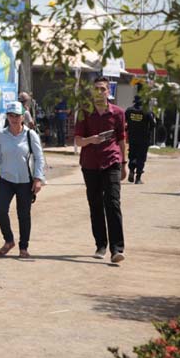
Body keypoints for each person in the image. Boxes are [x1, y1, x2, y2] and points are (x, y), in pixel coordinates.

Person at [74, 76, 128, 263]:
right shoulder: (84, 112)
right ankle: (101, 245)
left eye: (103, 89)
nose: (99, 92)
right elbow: (78, 140)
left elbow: (121, 139)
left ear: (108, 91)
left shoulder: (118, 113)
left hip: (111, 161)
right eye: (96, 88)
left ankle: (117, 249)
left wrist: (124, 163)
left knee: (113, 203)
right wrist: (92, 139)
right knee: (95, 205)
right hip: (90, 164)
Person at [0, 101, 46, 258]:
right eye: (11, 116)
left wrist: (38, 178)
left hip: (25, 181)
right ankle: (9, 240)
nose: (14, 119)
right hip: (6, 179)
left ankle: (23, 247)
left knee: (23, 214)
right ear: (7, 117)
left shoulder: (30, 135)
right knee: (0, 210)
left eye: (17, 116)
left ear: (23, 117)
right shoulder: (1, 135)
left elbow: (39, 158)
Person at [124, 95, 155, 184]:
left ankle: (131, 171)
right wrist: (148, 131)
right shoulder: (147, 112)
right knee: (141, 157)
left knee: (132, 155)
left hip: (132, 137)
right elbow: (153, 124)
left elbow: (124, 121)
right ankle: (138, 178)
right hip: (143, 139)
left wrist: (128, 128)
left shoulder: (129, 110)